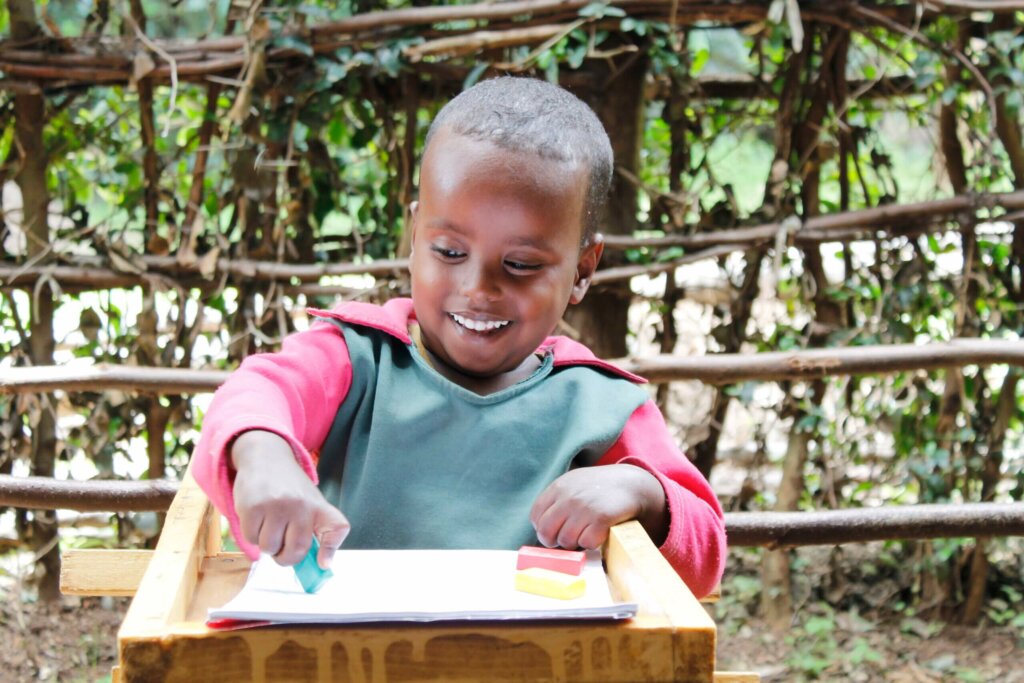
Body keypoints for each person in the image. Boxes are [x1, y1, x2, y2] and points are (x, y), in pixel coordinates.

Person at [192, 76, 726, 598]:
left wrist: (641, 492)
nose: (478, 288)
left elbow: (704, 559)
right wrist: (264, 458)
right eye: (449, 252)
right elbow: (252, 394)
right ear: (414, 235)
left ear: (583, 270)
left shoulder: (600, 405)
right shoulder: (354, 357)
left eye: (519, 264)